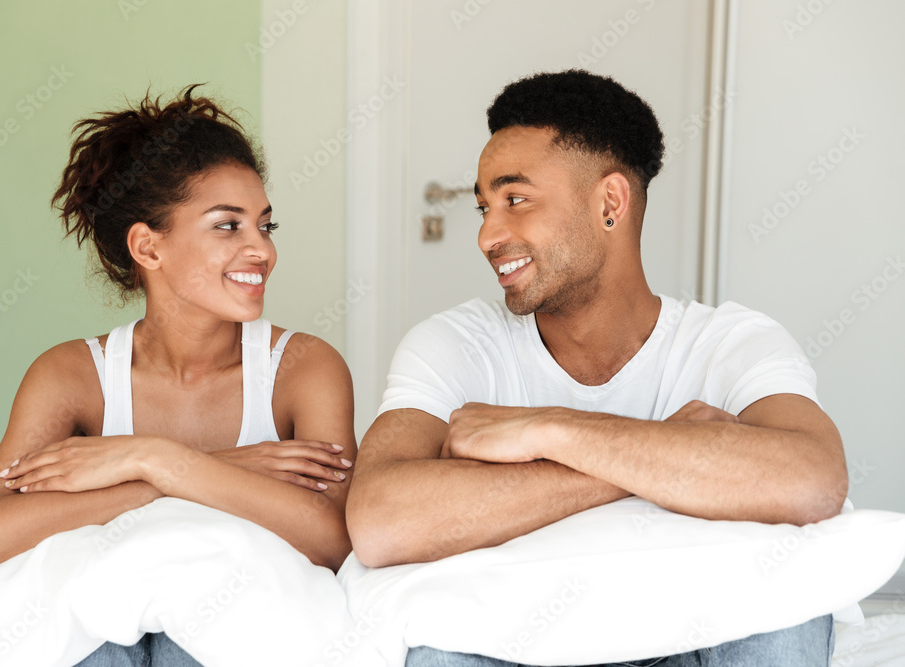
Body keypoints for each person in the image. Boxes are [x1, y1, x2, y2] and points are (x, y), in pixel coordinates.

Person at [345, 69, 847, 666]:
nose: (486, 234)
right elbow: (379, 521)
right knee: (438, 648)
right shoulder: (456, 344)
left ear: (609, 202)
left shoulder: (731, 343)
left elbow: (813, 483)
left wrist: (550, 431)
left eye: (515, 200)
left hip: (692, 642)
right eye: (484, 207)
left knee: (788, 610)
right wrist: (657, 459)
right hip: (520, 645)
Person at [0, 84, 357, 665]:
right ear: (148, 247)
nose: (261, 251)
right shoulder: (71, 374)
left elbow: (334, 540)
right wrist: (199, 469)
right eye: (227, 226)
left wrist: (151, 458)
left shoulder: (304, 367)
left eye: (265, 226)